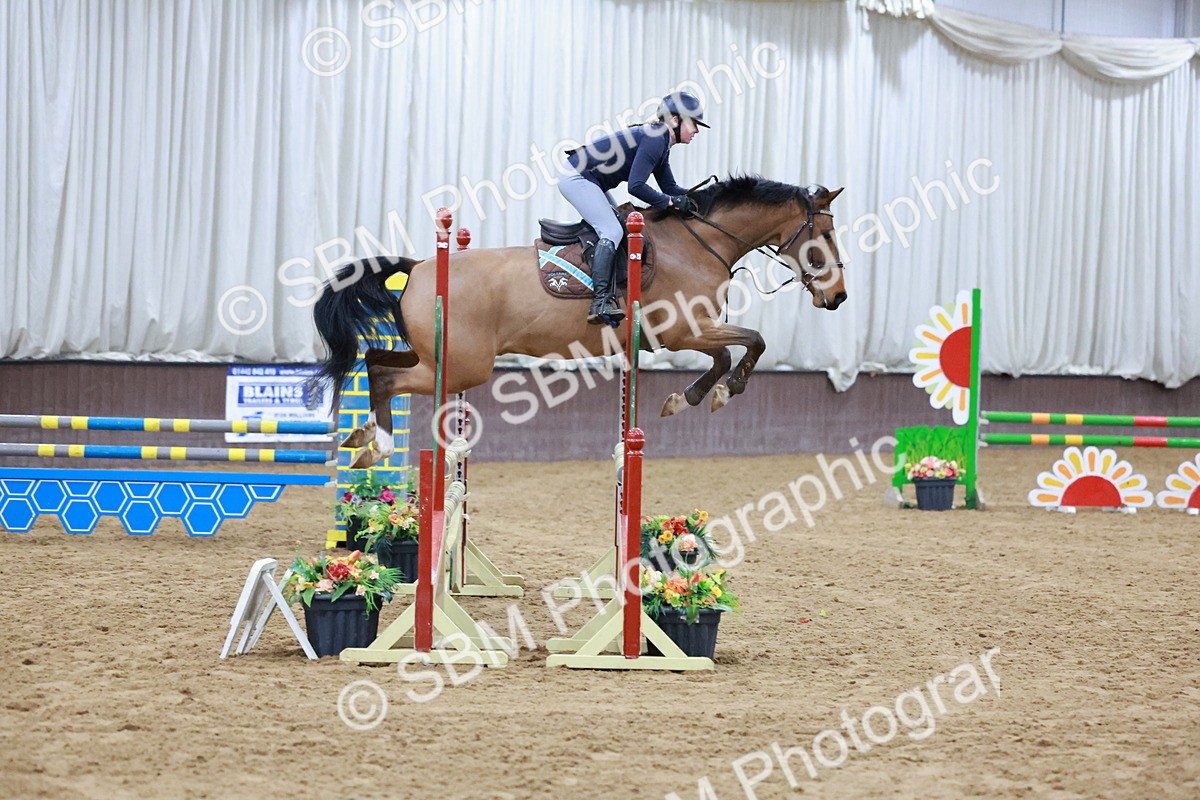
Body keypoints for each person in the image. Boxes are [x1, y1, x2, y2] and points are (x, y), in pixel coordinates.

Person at [558, 91, 709, 325]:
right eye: (694, 124)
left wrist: (699, 198)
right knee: (612, 231)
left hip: (590, 179)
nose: (697, 131)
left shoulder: (660, 140)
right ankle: (599, 302)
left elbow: (669, 186)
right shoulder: (656, 137)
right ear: (675, 120)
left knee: (615, 227)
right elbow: (636, 186)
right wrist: (670, 202)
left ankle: (609, 293)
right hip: (578, 176)